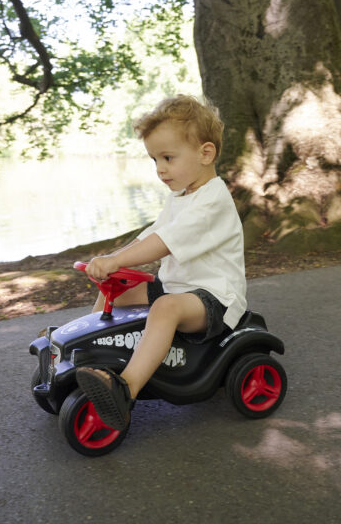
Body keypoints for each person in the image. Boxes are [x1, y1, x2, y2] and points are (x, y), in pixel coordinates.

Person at [76, 94, 246, 431]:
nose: (160, 169)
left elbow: (163, 243)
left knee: (165, 308)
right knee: (120, 289)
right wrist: (112, 262)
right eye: (154, 159)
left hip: (215, 299)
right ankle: (84, 342)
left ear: (205, 153)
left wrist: (116, 259)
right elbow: (151, 234)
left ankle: (125, 389)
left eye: (168, 158)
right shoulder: (180, 195)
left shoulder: (212, 200)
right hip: (177, 288)